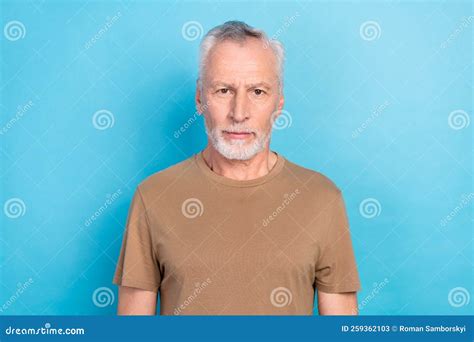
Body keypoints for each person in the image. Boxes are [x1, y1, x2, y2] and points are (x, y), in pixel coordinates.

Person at [113, 20, 361, 315]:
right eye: (223, 90)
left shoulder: (323, 198)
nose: (239, 113)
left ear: (278, 101)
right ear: (199, 97)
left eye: (257, 91)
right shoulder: (153, 196)